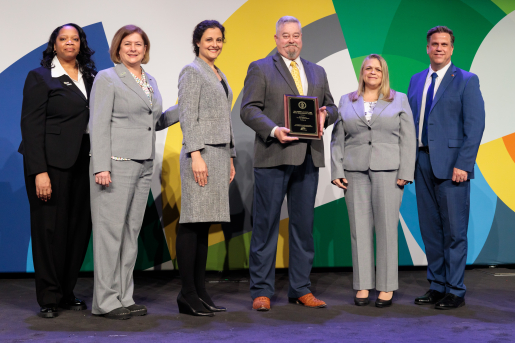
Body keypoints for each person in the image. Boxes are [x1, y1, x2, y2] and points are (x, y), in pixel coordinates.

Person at [240, 16, 337, 311]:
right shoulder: (260, 68)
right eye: (286, 36)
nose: (291, 40)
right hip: (273, 156)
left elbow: (331, 105)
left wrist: (325, 115)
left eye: (296, 35)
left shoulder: (317, 71)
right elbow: (248, 109)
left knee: (303, 228)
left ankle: (301, 288)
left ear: (301, 39)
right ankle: (261, 291)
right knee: (266, 226)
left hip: (309, 157)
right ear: (276, 39)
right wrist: (273, 130)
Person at [89, 25, 179, 320]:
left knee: (130, 233)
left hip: (143, 164)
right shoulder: (107, 77)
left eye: (138, 44)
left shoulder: (149, 80)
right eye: (127, 43)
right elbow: (98, 124)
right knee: (109, 234)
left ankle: (123, 297)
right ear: (118, 47)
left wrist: (184, 108)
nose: (133, 48)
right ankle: (105, 301)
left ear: (145, 49)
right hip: (115, 163)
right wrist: (102, 165)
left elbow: (152, 122)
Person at [19, 23, 96, 318]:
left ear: (81, 44)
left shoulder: (91, 77)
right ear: (54, 44)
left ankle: (66, 291)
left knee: (77, 231)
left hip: (84, 163)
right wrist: (39, 171)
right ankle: (49, 297)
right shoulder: (40, 77)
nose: (69, 43)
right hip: (50, 165)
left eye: (75, 39)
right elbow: (31, 125)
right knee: (49, 232)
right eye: (63, 39)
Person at [408, 26, 485, 309]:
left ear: (451, 49)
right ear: (427, 48)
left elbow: (475, 126)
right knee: (430, 230)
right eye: (434, 44)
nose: (439, 48)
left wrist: (464, 163)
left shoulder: (466, 80)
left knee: (454, 232)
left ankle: (455, 289)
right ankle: (437, 285)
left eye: (444, 44)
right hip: (421, 163)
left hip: (453, 166)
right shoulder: (416, 81)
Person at [330, 54, 416, 308]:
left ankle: (386, 287)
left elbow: (408, 138)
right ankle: (363, 285)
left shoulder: (398, 99)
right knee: (359, 230)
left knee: (387, 230)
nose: (373, 72)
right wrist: (337, 170)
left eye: (378, 69)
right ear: (362, 72)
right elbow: (337, 139)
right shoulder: (347, 100)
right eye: (368, 68)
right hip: (354, 171)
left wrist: (406, 172)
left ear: (384, 73)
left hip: (389, 171)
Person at [175, 20, 236, 317]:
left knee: (204, 225)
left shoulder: (218, 73)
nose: (215, 44)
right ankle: (187, 294)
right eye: (209, 39)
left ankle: (200, 291)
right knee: (192, 222)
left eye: (219, 39)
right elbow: (187, 115)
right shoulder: (192, 71)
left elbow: (224, 117)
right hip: (201, 154)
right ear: (197, 41)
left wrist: (231, 157)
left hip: (218, 154)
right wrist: (196, 153)